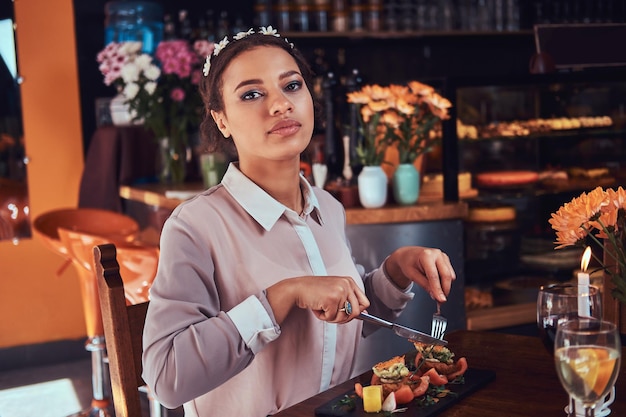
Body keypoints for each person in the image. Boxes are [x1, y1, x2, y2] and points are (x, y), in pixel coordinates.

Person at [142, 26, 456, 417]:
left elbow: (342, 317)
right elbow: (166, 378)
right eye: (252, 94)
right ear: (221, 120)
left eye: (291, 86)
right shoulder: (195, 226)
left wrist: (395, 270)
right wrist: (282, 296)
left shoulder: (327, 207)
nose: (280, 105)